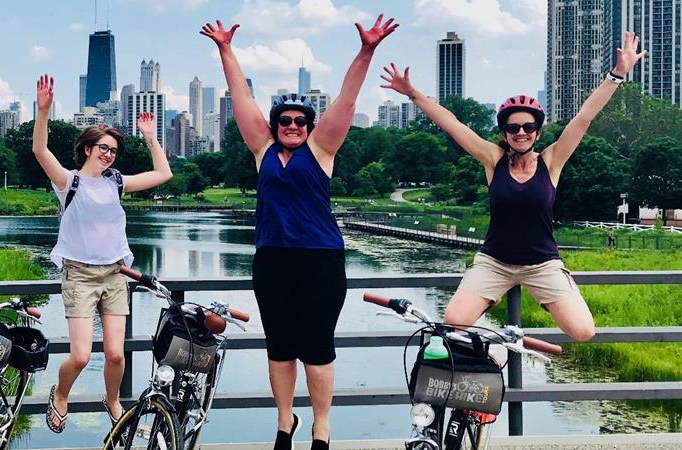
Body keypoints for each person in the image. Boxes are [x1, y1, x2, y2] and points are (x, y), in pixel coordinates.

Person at [201, 15, 398, 450]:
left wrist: (367, 50)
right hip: (272, 260)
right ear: (274, 126)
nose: (292, 124)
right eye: (284, 120)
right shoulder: (262, 150)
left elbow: (347, 100)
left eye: (299, 120)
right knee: (280, 347)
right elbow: (241, 97)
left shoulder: (321, 149)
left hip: (320, 260)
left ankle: (321, 426)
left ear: (309, 126)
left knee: (317, 346)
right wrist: (225, 50)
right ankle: (285, 422)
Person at [380, 31, 647, 343]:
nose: (521, 132)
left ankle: (544, 300)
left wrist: (616, 75)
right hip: (494, 262)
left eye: (528, 127)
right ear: (504, 132)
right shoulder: (493, 160)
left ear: (537, 131)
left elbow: (584, 118)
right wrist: (413, 93)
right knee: (455, 320)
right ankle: (501, 338)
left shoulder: (552, 161)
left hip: (543, 264)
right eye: (513, 127)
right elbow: (451, 124)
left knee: (583, 331)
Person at [33, 75, 172, 433]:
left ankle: (112, 401)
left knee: (114, 353)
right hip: (79, 275)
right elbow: (40, 151)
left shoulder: (117, 182)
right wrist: (43, 112)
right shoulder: (69, 182)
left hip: (114, 275)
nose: (108, 155)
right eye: (102, 148)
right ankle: (60, 394)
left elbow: (163, 173)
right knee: (80, 355)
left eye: (113, 150)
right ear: (87, 149)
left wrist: (151, 138)